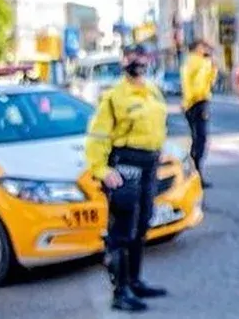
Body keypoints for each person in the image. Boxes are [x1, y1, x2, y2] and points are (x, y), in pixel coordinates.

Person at [85, 45, 169, 312]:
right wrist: (102, 170)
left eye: (143, 57)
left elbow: (157, 125)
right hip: (125, 165)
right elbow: (97, 137)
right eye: (133, 58)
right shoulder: (114, 97)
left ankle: (134, 281)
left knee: (142, 225)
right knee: (122, 231)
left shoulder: (152, 90)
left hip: (149, 164)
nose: (138, 62)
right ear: (124, 62)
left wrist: (160, 151)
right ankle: (120, 293)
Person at [181, 40, 218, 188]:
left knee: (197, 138)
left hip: (192, 103)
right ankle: (196, 174)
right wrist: (195, 99)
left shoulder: (189, 62)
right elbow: (203, 83)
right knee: (200, 140)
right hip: (198, 102)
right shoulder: (200, 62)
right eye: (204, 48)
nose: (206, 50)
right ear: (197, 49)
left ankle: (195, 174)